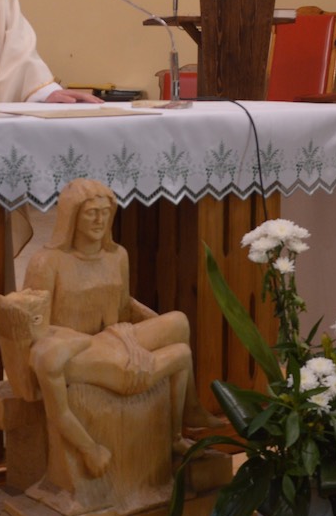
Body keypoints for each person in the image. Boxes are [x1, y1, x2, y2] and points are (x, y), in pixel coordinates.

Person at [18, 179, 204, 479]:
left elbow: (124, 304)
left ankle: (187, 415)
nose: (99, 220)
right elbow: (37, 323)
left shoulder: (117, 255)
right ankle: (175, 434)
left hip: (117, 334)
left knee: (179, 322)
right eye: (91, 213)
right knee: (180, 352)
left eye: (105, 213)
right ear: (72, 216)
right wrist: (125, 347)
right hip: (81, 349)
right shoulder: (47, 262)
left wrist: (152, 326)